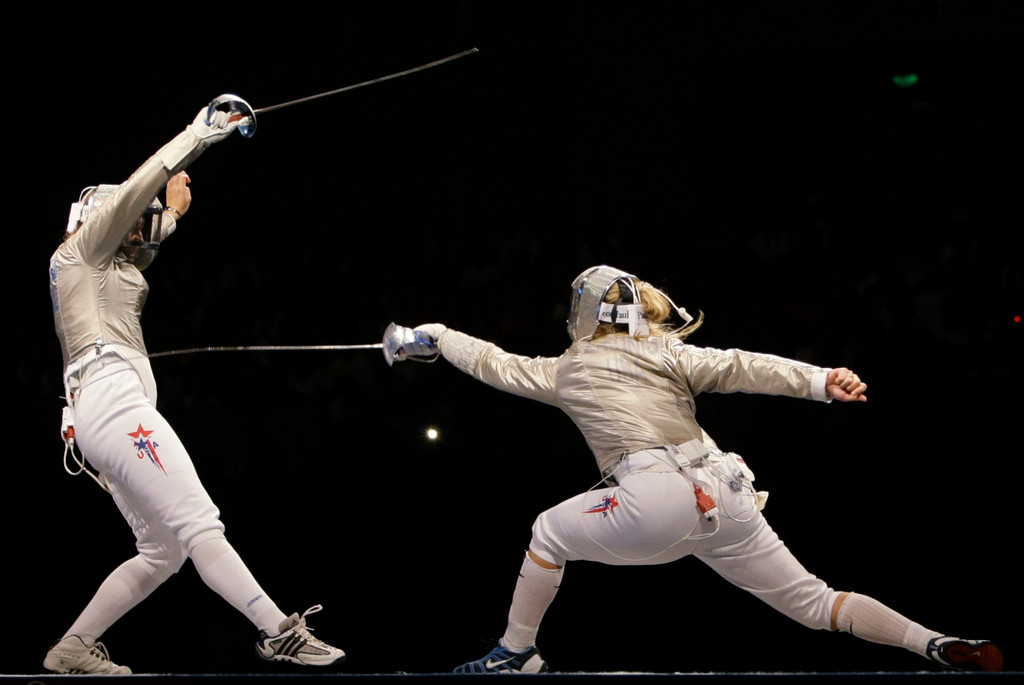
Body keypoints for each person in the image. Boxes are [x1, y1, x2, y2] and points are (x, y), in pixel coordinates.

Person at [386, 264, 1003, 674]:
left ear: (582, 312)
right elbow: (742, 365)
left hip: (656, 499)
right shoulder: (667, 353)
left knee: (548, 533)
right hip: (728, 494)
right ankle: (934, 643)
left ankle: (515, 654)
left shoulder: (566, 370)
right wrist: (820, 380)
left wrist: (432, 334)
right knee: (817, 602)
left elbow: (494, 363)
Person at [45, 104, 346, 674]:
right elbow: (137, 193)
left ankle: (72, 649)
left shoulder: (96, 268)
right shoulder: (81, 249)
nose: (139, 230)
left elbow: (149, 229)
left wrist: (174, 209)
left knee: (163, 551)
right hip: (115, 406)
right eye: (130, 224)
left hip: (99, 409)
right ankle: (276, 630)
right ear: (97, 216)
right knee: (200, 524)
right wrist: (201, 135)